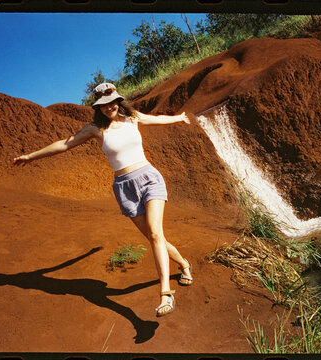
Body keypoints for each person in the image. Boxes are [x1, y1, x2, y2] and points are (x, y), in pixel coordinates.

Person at [13, 82, 193, 317]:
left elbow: (156, 119)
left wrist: (179, 117)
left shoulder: (133, 118)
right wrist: (31, 156)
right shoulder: (95, 129)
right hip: (124, 187)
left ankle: (165, 295)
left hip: (149, 178)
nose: (108, 108)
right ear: (98, 107)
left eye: (111, 102)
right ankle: (184, 264)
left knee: (156, 233)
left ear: (118, 100)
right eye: (103, 105)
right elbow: (64, 145)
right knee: (153, 236)